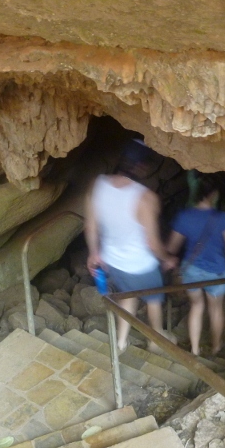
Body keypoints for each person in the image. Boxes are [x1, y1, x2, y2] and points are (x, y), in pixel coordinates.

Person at [85, 139, 178, 353]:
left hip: (112, 261)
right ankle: (155, 339)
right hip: (140, 265)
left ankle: (121, 342)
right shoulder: (146, 198)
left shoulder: (97, 183)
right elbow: (153, 244)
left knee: (129, 295)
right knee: (154, 299)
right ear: (143, 167)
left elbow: (90, 225)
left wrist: (93, 253)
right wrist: (168, 258)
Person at [167, 175, 225, 356]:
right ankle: (216, 347)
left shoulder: (184, 216)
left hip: (191, 270)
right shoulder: (222, 218)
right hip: (216, 272)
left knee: (196, 306)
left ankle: (194, 350)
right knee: (215, 309)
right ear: (213, 195)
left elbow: (171, 247)